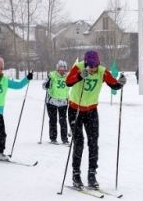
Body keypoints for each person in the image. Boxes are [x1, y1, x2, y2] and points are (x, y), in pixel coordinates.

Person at [65, 50, 126, 189]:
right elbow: (68, 82)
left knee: (93, 143)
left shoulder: (102, 71)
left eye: (95, 66)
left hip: (91, 110)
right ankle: (76, 175)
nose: (92, 69)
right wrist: (80, 76)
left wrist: (121, 83)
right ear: (86, 64)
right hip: (76, 109)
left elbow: (114, 84)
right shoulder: (79, 67)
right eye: (90, 66)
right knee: (79, 142)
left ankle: (92, 175)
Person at [43, 60, 70, 144]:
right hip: (52, 101)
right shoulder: (52, 75)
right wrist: (46, 84)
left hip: (63, 102)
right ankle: (53, 138)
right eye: (60, 69)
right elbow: (44, 86)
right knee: (53, 120)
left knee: (63, 121)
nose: (62, 70)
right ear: (57, 68)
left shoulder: (68, 76)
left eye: (63, 69)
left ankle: (64, 139)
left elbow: (73, 82)